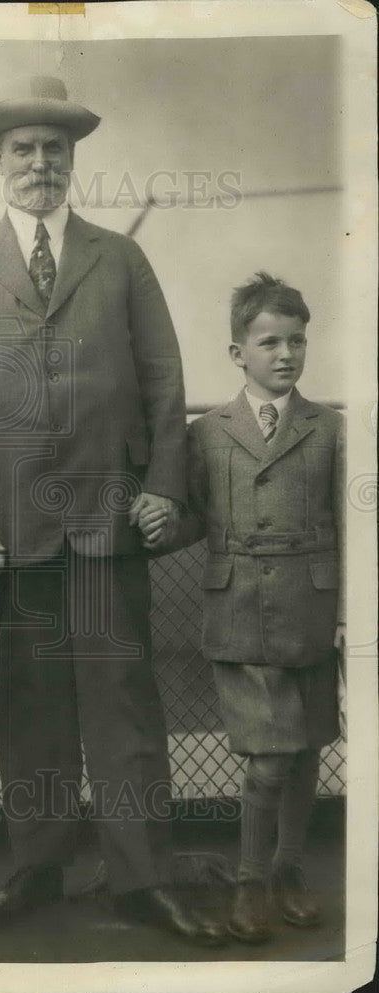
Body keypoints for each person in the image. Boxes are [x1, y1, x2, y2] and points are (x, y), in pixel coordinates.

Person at [0, 75, 224, 946]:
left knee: (124, 702)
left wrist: (165, 483)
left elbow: (166, 381)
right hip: (12, 524)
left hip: (109, 516)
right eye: (24, 149)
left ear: (73, 159)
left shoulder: (120, 259)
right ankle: (38, 867)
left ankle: (141, 877)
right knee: (32, 705)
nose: (41, 163)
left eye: (56, 148)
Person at [145, 272, 344, 944]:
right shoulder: (209, 433)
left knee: (307, 746)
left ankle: (289, 869)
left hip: (312, 613)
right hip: (240, 612)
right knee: (268, 758)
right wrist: (156, 525)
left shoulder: (330, 430)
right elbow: (192, 517)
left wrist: (346, 614)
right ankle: (251, 879)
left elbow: (351, 527)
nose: (285, 354)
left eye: (297, 341)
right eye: (269, 342)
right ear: (238, 353)